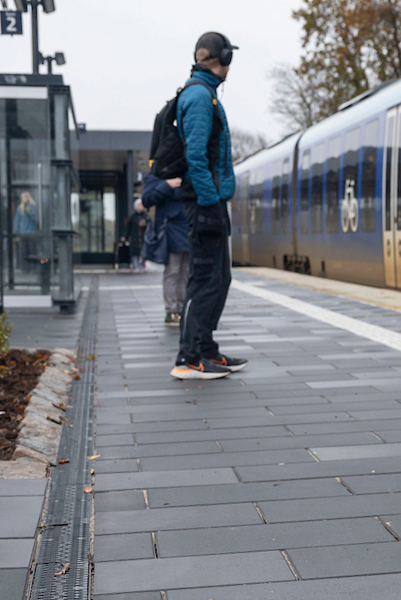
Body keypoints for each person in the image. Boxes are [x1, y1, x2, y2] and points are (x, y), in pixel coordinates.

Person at [170, 32, 248, 380]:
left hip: (211, 201)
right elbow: (196, 157)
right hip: (205, 202)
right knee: (204, 279)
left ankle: (205, 348)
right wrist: (209, 202)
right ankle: (188, 358)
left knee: (219, 278)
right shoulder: (200, 97)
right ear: (221, 57)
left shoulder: (206, 94)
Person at [141, 174, 190, 326]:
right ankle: (172, 311)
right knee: (173, 271)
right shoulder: (157, 174)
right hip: (171, 230)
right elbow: (147, 199)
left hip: (189, 227)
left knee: (186, 272)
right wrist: (167, 185)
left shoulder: (188, 170)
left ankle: (183, 309)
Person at [125, 200, 148, 272]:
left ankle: (143, 265)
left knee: (144, 252)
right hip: (135, 237)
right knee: (134, 253)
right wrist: (125, 237)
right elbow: (128, 228)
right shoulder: (132, 216)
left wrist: (145, 225)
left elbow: (149, 226)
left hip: (143, 237)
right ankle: (136, 266)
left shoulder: (145, 215)